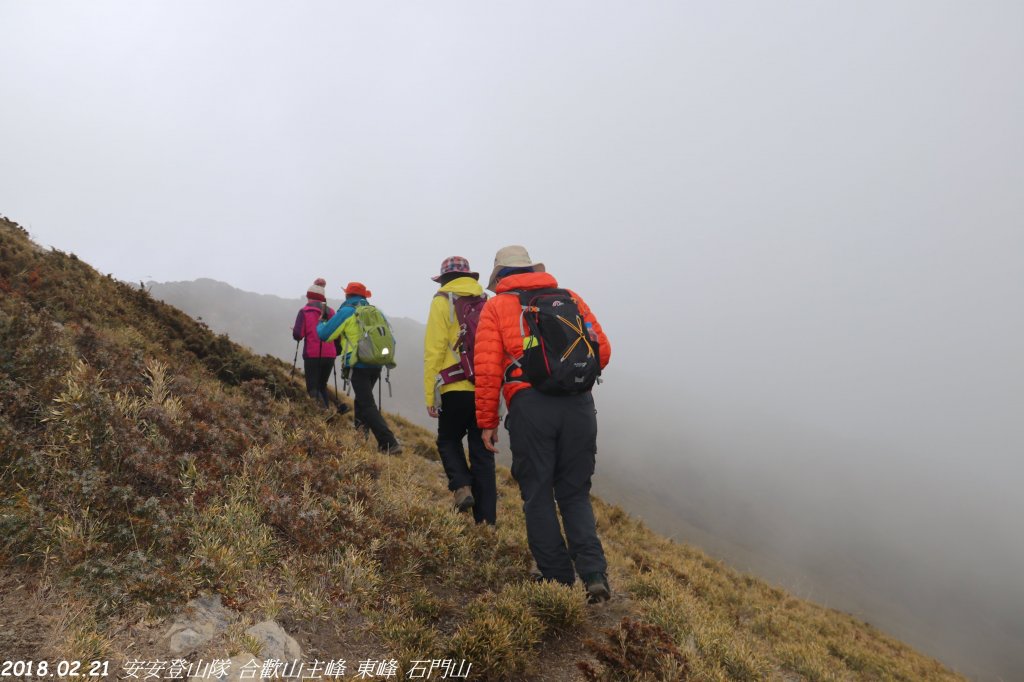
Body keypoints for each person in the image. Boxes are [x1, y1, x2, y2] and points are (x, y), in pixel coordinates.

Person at [474, 245, 612, 602]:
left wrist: (488, 421)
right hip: (579, 406)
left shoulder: (497, 306)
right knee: (575, 492)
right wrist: (567, 376)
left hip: (531, 406)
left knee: (537, 494)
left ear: (499, 276)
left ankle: (557, 579)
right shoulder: (569, 298)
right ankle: (594, 574)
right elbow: (603, 351)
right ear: (532, 268)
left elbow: (488, 370)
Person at [423, 256, 496, 524]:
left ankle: (462, 486)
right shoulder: (486, 302)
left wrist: (430, 392)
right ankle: (486, 523)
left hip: (454, 387)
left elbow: (434, 350)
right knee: (483, 456)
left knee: (447, 439)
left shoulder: (442, 301)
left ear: (443, 279)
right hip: (484, 388)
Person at [317, 282, 402, 454]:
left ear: (347, 295)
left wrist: (321, 322)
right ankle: (360, 437)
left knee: (366, 403)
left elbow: (325, 335)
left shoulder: (347, 312)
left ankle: (388, 442)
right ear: (364, 296)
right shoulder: (376, 312)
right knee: (362, 399)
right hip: (377, 362)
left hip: (358, 363)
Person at [292, 278, 338, 409]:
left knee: (312, 388)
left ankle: (323, 414)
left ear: (309, 296)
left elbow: (298, 335)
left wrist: (297, 331)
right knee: (321, 386)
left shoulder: (305, 311)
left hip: (312, 354)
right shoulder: (331, 312)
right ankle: (328, 419)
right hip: (329, 355)